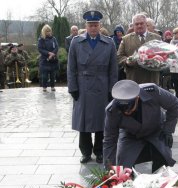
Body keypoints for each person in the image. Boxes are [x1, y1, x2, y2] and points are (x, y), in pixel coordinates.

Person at [67, 10, 118, 164]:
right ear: (86, 26)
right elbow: (71, 67)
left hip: (102, 85)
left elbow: (113, 69)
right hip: (82, 85)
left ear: (99, 25)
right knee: (83, 122)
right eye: (90, 25)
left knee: (102, 121)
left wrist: (112, 90)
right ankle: (86, 152)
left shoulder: (109, 43)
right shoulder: (76, 42)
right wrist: (73, 87)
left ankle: (100, 151)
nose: (93, 28)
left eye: (95, 25)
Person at [103, 80, 178, 172]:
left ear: (137, 98)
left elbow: (174, 104)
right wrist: (109, 169)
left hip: (156, 130)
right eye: (122, 109)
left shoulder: (152, 91)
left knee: (162, 161)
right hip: (131, 135)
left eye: (129, 107)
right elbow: (109, 140)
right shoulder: (112, 110)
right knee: (124, 167)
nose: (126, 112)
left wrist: (168, 130)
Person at [117, 13, 161, 84]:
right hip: (134, 79)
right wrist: (127, 61)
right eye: (137, 24)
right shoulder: (126, 39)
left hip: (152, 79)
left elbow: (163, 56)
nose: (139, 26)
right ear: (133, 25)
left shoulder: (157, 38)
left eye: (141, 23)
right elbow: (119, 57)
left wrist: (156, 60)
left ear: (146, 24)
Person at [38, 24, 59, 92]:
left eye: (49, 31)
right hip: (44, 60)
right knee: (45, 75)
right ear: (44, 31)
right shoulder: (41, 39)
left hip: (53, 59)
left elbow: (56, 47)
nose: (48, 32)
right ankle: (44, 87)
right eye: (47, 31)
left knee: (53, 75)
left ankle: (52, 86)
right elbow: (40, 49)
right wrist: (48, 53)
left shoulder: (53, 38)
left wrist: (52, 54)